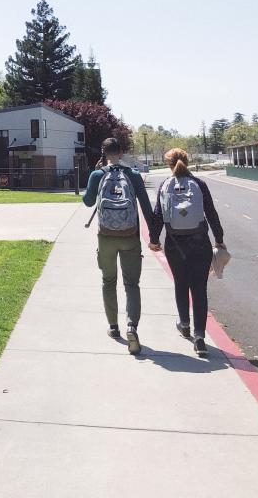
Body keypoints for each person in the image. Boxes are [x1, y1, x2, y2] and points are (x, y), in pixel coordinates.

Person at [83, 137, 160, 354]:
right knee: (131, 284)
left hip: (106, 237)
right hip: (130, 236)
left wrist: (95, 174)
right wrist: (154, 237)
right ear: (121, 152)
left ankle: (114, 327)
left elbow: (88, 202)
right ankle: (131, 326)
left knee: (108, 281)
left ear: (104, 153)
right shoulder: (133, 175)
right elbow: (146, 207)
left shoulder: (98, 175)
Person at [149, 148, 226, 357]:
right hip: (200, 243)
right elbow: (211, 213)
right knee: (199, 288)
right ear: (187, 161)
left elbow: (158, 215)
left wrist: (154, 240)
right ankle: (200, 337)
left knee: (181, 284)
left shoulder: (165, 185)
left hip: (175, 244)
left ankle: (184, 324)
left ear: (169, 164)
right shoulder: (199, 185)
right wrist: (219, 239)